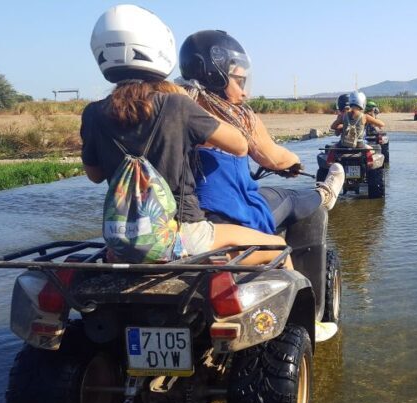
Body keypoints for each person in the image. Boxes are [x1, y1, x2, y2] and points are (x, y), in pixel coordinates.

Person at [81, 5, 289, 267]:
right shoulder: (175, 105)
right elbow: (239, 146)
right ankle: (309, 309)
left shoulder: (93, 113)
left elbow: (95, 175)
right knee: (279, 247)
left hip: (121, 242)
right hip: (183, 233)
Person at [177, 30, 345, 233]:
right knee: (289, 197)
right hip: (231, 216)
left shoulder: (172, 109)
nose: (244, 91)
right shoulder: (238, 118)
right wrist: (293, 161)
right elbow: (274, 158)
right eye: (238, 81)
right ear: (216, 76)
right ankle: (325, 194)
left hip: (179, 220)